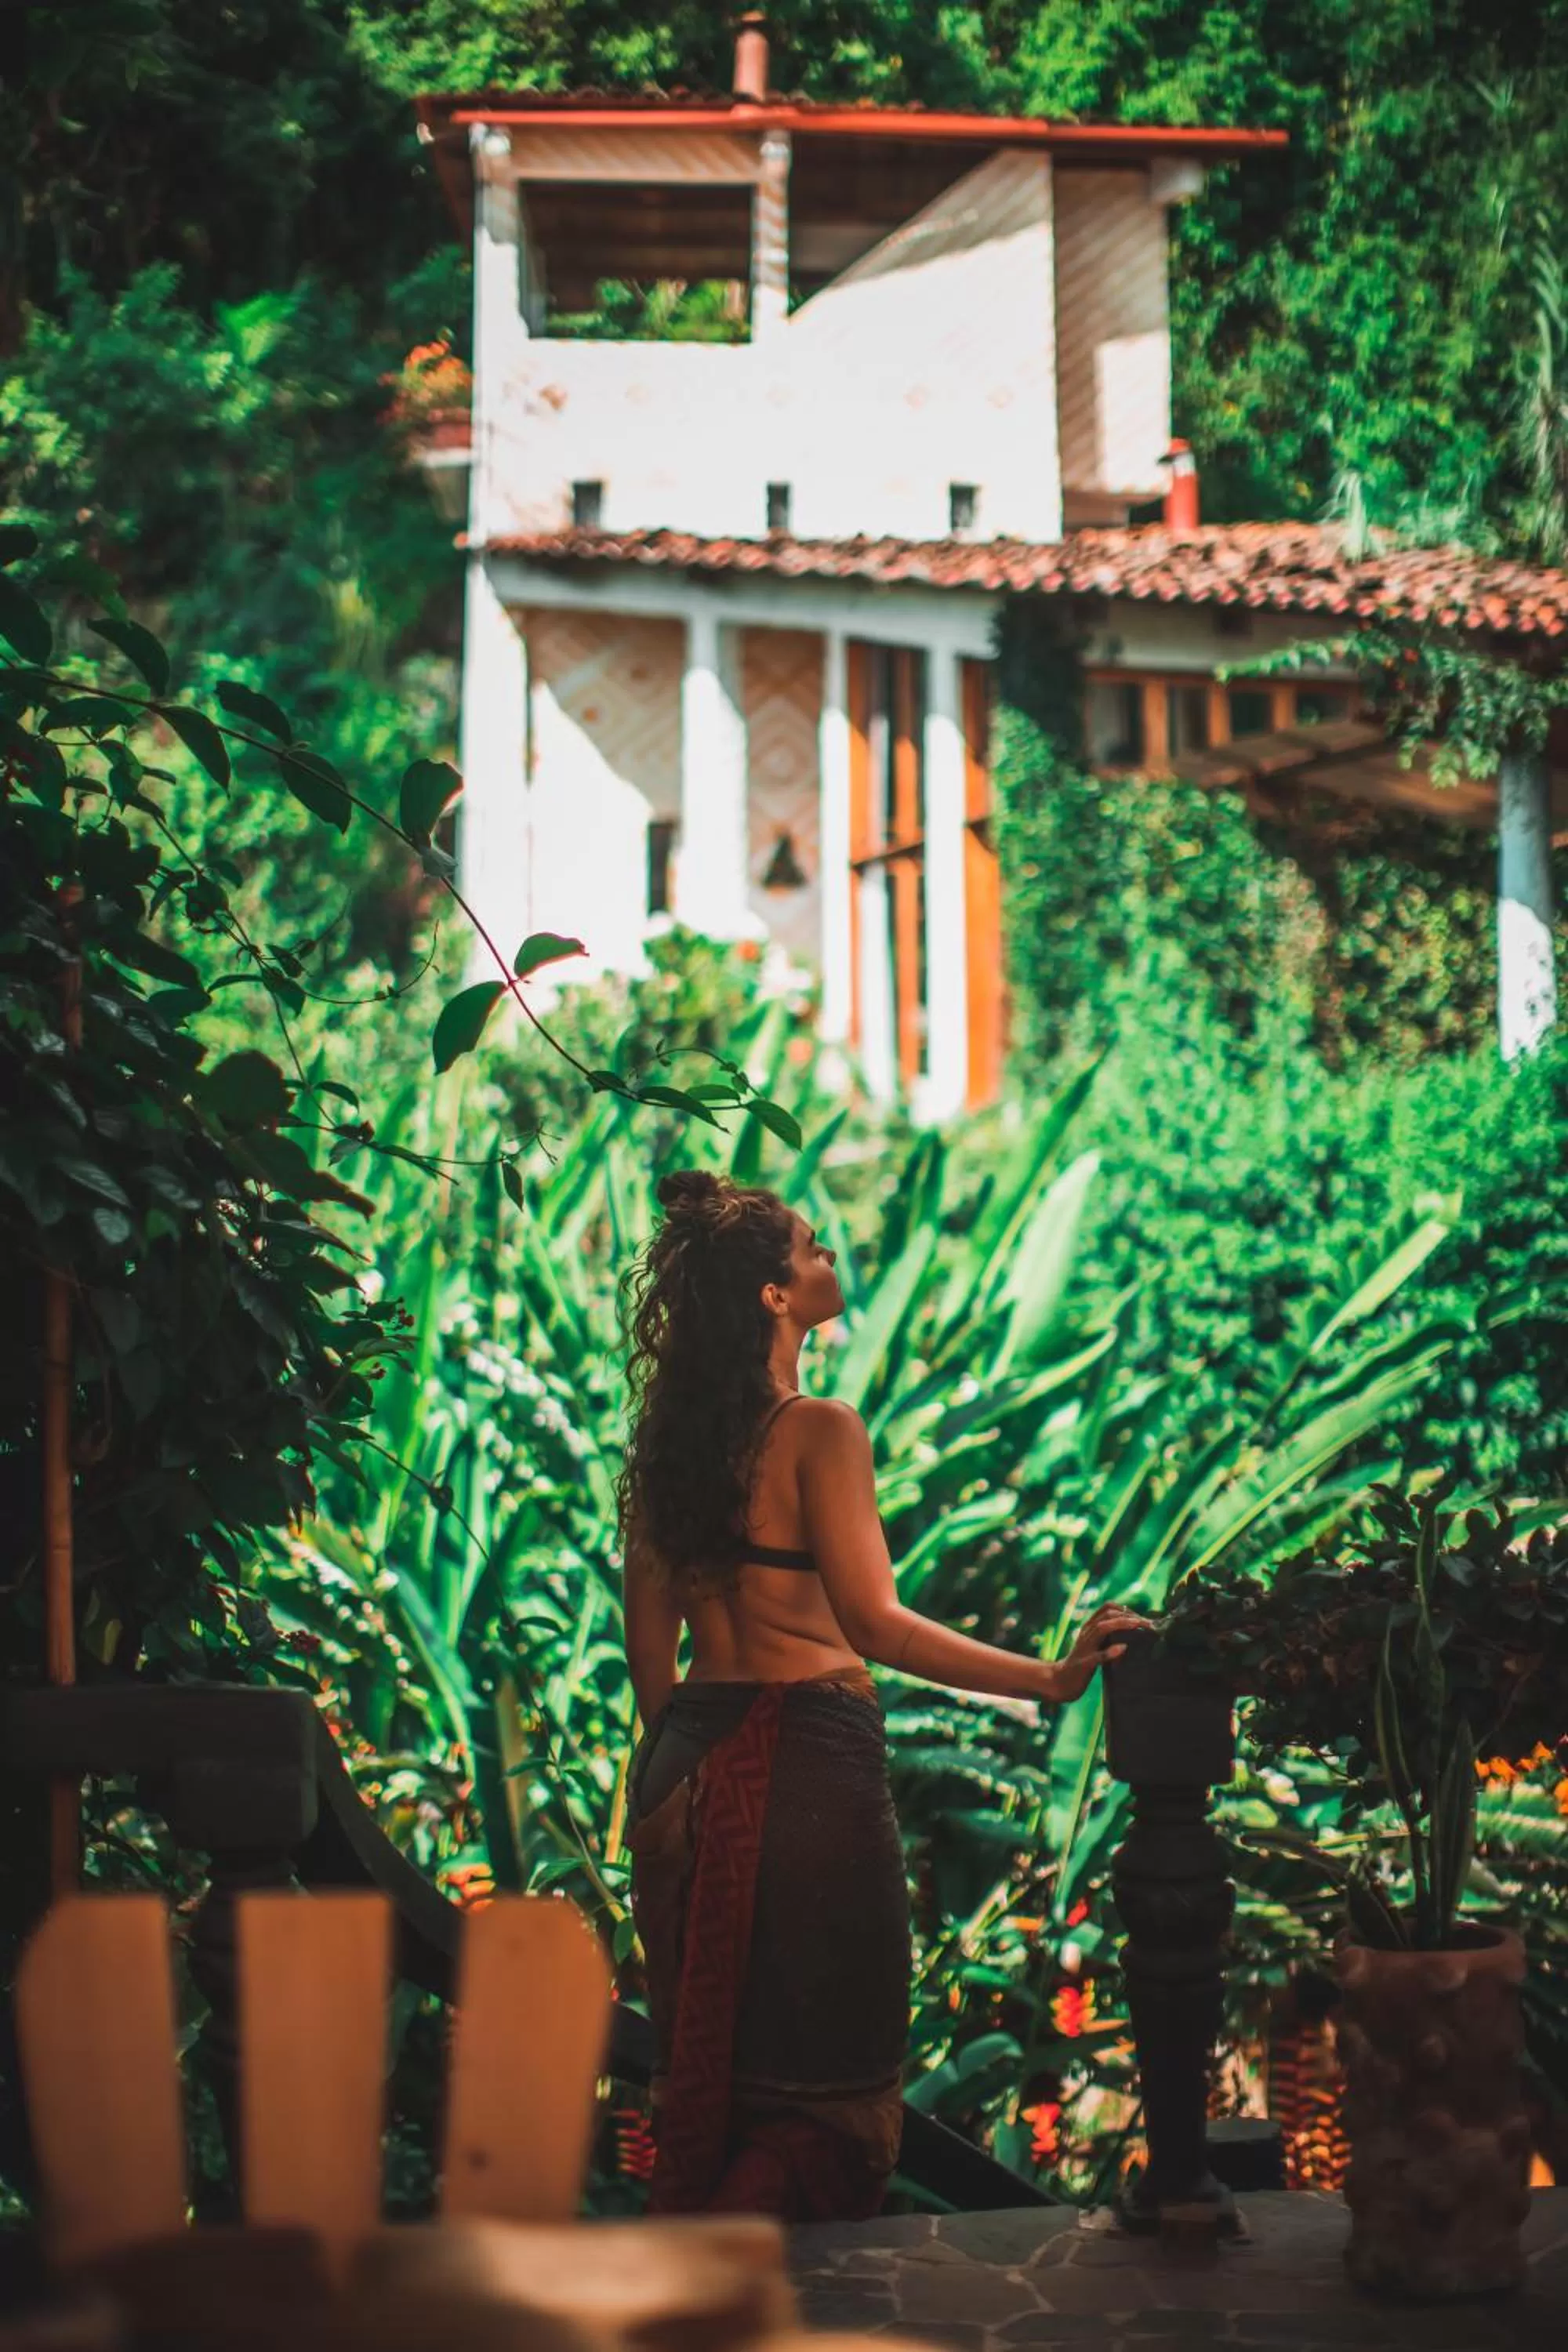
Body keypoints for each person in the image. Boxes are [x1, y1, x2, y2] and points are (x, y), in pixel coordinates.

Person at [617, 1168, 1145, 2223]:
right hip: (806, 1778)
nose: (829, 1263)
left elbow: (651, 1678)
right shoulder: (822, 1431)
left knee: (715, 2086)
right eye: (811, 1249)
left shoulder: (664, 1454)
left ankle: (696, 2301)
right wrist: (1047, 1678)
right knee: (826, 2100)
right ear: (772, 1296)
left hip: (681, 1782)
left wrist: (707, 1791)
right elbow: (877, 1625)